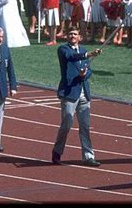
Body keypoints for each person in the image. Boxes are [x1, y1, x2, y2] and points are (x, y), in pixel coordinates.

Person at [51, 26, 102, 167]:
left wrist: (84, 74)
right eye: (70, 33)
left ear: (80, 37)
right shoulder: (63, 49)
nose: (72, 36)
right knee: (66, 124)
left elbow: (89, 70)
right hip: (69, 93)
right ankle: (57, 151)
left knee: (85, 126)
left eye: (75, 34)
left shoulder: (84, 50)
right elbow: (71, 57)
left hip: (84, 93)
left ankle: (88, 156)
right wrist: (89, 55)